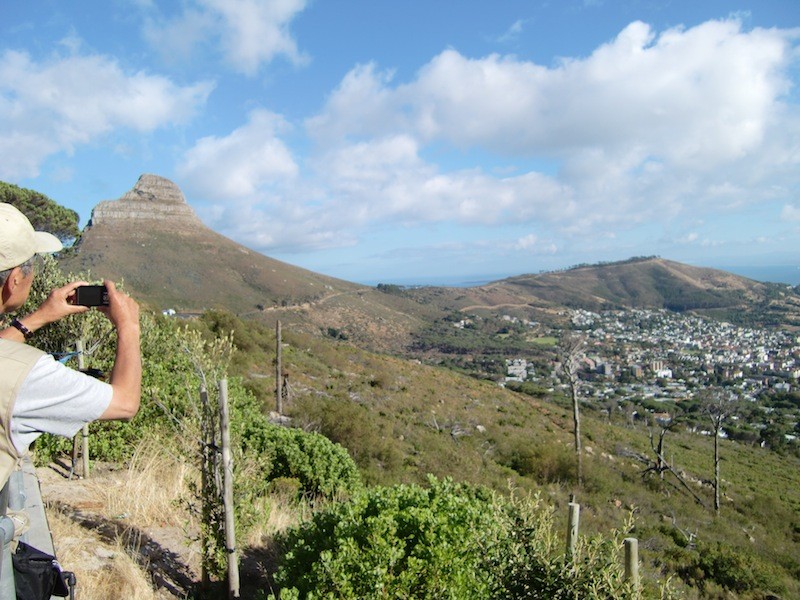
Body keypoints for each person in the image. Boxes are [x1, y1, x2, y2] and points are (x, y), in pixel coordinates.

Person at [0, 202, 141, 488]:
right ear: (14, 280)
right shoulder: (28, 373)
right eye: (32, 264)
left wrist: (39, 317)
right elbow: (125, 404)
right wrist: (128, 326)